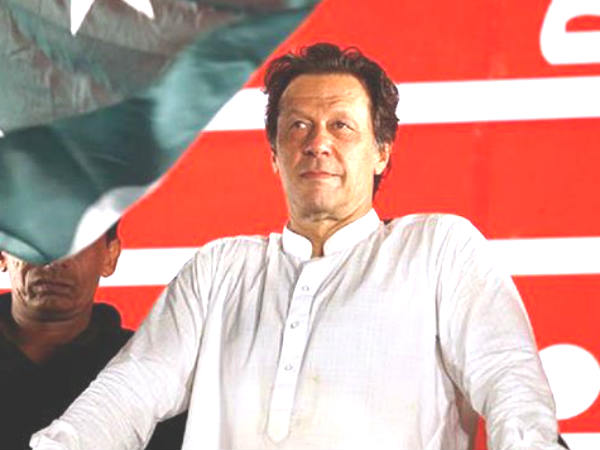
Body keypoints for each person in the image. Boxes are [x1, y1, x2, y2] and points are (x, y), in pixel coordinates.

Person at [31, 43, 563, 450]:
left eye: (341, 126)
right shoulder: (218, 270)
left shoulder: (437, 249)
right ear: (274, 153)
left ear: (382, 151)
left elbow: (507, 376)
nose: (318, 142)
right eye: (298, 126)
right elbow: (129, 392)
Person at [0, 223, 186, 450]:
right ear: (3, 253)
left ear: (110, 256)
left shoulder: (151, 374)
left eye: (78, 240)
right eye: (35, 238)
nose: (55, 259)